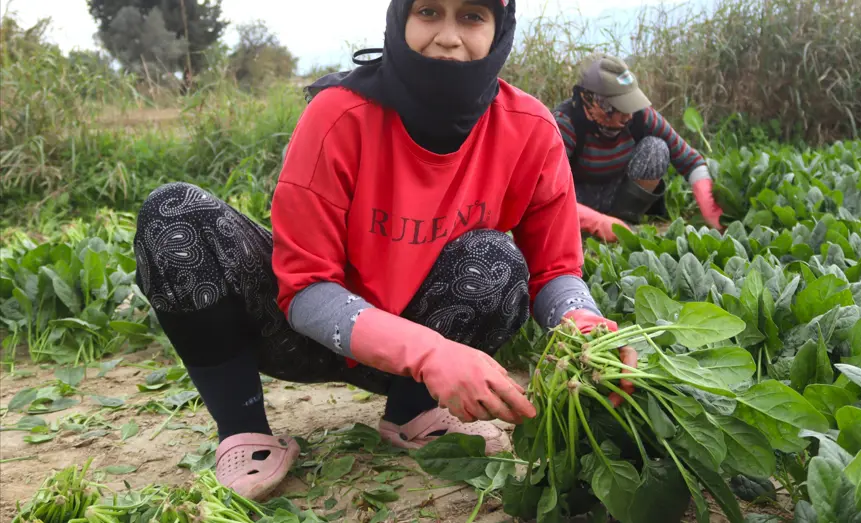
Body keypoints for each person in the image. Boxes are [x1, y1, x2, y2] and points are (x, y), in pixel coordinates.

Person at [132, 0, 636, 502]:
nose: (447, 35)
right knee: (173, 213)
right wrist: (430, 352)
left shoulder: (530, 129)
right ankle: (244, 431)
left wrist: (585, 326)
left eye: (471, 16)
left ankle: (413, 412)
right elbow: (306, 286)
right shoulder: (337, 114)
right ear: (401, 18)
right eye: (429, 11)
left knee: (497, 261)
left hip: (418, 344)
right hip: (302, 333)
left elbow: (555, 269)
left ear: (499, 28)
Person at [552, 53, 725, 241]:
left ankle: (624, 223)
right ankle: (590, 231)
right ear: (590, 100)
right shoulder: (564, 124)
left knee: (656, 149)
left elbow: (689, 160)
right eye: (618, 108)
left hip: (617, 193)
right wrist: (597, 222)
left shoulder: (640, 116)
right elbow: (548, 191)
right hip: (578, 200)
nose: (627, 116)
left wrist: (710, 208)